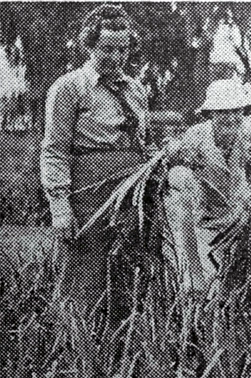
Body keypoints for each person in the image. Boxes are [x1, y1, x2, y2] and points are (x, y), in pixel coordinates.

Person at [41, 4, 149, 327]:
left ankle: (122, 351)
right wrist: (60, 207)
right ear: (89, 45)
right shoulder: (68, 88)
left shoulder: (136, 89)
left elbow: (141, 143)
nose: (116, 57)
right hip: (88, 197)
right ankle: (77, 353)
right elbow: (54, 151)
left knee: (125, 275)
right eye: (107, 49)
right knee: (83, 278)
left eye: (122, 49)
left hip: (131, 195)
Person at [163, 78, 251, 299]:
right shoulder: (196, 137)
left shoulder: (250, 138)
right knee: (201, 287)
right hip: (201, 220)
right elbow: (174, 171)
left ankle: (237, 317)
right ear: (211, 113)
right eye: (222, 112)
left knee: (241, 281)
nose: (230, 118)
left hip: (236, 217)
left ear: (243, 111)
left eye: (235, 111)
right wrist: (181, 173)